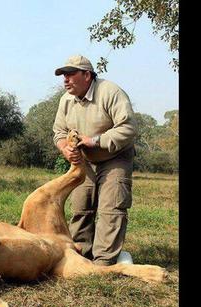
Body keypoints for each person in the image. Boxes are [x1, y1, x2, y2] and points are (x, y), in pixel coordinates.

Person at [52, 55, 137, 266]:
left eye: (71, 74)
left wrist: (95, 141)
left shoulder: (110, 92)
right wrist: (65, 149)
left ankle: (104, 262)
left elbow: (128, 128)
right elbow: (59, 132)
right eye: (63, 75)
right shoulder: (66, 100)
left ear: (87, 75)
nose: (65, 80)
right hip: (85, 161)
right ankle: (81, 256)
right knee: (81, 208)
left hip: (115, 157)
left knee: (111, 209)